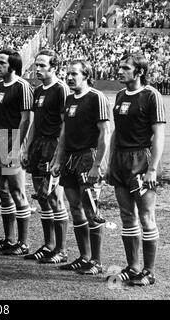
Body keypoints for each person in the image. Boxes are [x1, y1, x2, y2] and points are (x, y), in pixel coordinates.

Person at [107, 53, 165, 286]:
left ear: (139, 72)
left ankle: (149, 272)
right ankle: (133, 267)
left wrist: (152, 169)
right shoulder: (120, 95)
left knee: (146, 216)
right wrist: (110, 161)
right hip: (120, 161)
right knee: (127, 216)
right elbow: (116, 133)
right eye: (120, 67)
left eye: (126, 68)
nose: (120, 71)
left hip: (141, 160)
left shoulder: (151, 95)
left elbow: (158, 135)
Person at [51, 59, 110, 275]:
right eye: (68, 73)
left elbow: (105, 132)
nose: (69, 77)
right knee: (75, 208)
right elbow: (64, 132)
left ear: (86, 75)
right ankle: (84, 257)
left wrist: (97, 165)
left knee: (91, 209)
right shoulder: (68, 99)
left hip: (88, 156)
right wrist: (58, 159)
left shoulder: (97, 98)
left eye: (74, 73)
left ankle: (96, 261)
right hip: (69, 159)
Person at [22, 49, 70, 263]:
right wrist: (26, 147)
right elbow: (34, 122)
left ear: (54, 67)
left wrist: (58, 154)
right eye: (37, 65)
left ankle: (61, 249)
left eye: (42, 65)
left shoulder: (61, 90)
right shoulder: (38, 90)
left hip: (53, 146)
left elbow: (65, 125)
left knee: (54, 197)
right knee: (42, 197)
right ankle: (48, 245)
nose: (38, 69)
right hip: (38, 146)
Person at [0, 49, 33, 255]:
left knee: (17, 192)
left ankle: (23, 242)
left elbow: (26, 119)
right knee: (3, 193)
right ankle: (8, 238)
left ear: (12, 66)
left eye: (1, 63)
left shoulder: (23, 86)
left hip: (13, 142)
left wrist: (17, 147)